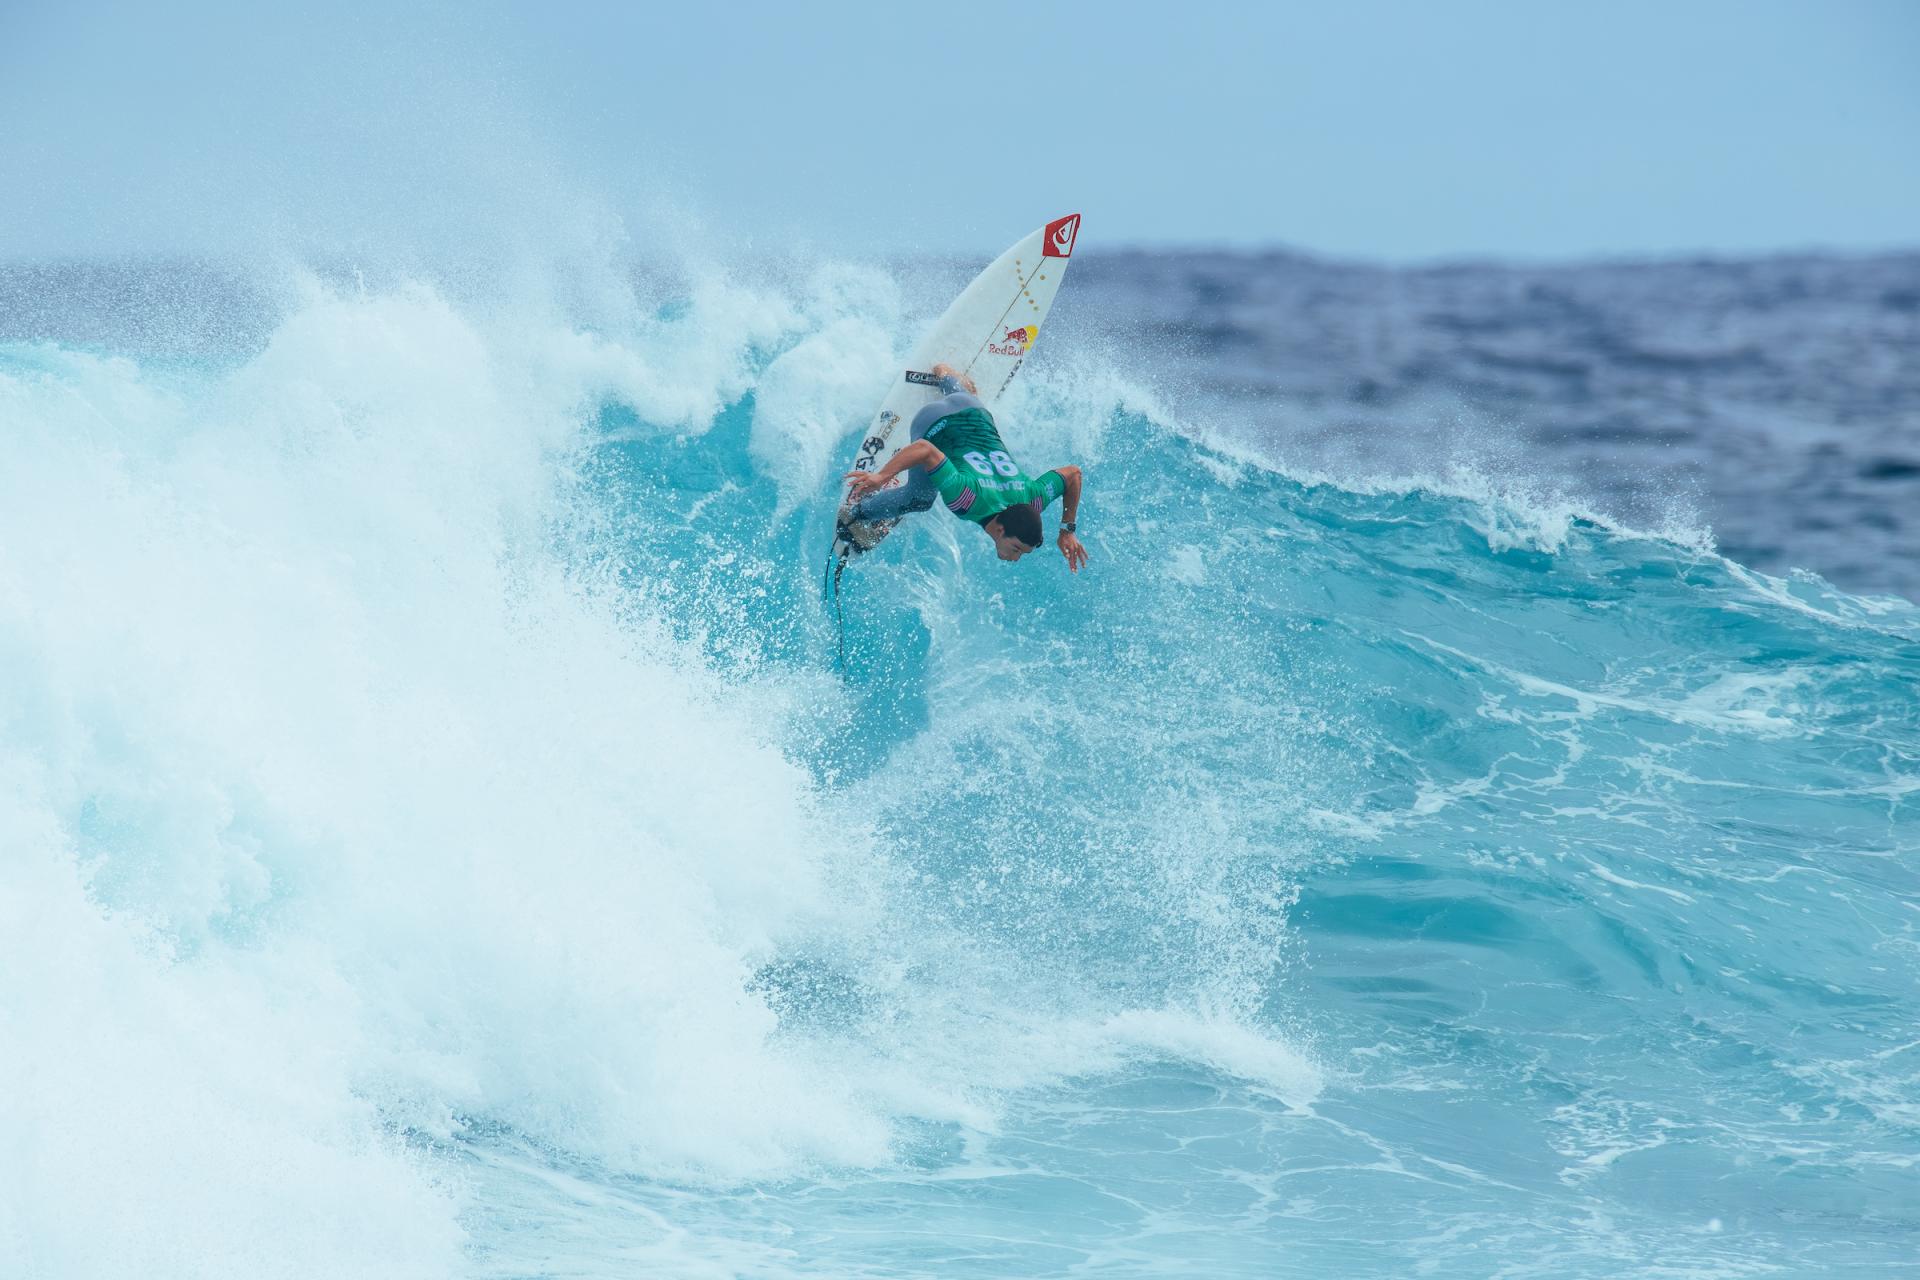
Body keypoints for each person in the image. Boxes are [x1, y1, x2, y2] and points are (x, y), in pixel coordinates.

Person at [840, 363, 1089, 571]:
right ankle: (856, 514)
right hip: (931, 423)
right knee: (919, 499)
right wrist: (881, 476)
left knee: (965, 403)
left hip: (974, 408)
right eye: (1016, 549)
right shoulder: (967, 499)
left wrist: (1067, 529)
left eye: (1020, 553)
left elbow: (1073, 474)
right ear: (1000, 530)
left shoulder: (1033, 500)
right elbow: (925, 449)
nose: (1015, 558)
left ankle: (947, 375)